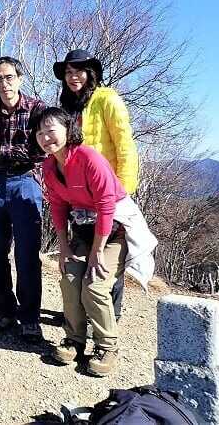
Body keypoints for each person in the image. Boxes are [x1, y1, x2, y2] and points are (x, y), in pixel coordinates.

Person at [34, 107, 156, 376]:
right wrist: (64, 247)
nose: (45, 137)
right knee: (70, 278)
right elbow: (57, 205)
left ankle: (107, 346)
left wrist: (97, 251)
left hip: (114, 232)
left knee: (95, 284)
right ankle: (74, 339)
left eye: (51, 130)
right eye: (39, 133)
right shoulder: (49, 166)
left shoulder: (89, 158)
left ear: (68, 130)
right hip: (83, 232)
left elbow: (106, 205)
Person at [54, 49, 139, 320]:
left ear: (90, 73)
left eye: (78, 71)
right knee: (85, 245)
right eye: (68, 72)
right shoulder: (67, 105)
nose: (73, 77)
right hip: (79, 192)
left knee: (109, 252)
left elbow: (125, 145)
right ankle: (80, 311)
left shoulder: (107, 98)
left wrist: (123, 190)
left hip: (109, 189)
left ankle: (111, 313)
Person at [0, 57, 47, 342]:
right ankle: (4, 309)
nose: (4, 83)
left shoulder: (38, 110)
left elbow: (39, 151)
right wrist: (11, 152)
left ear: (20, 78)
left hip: (26, 182)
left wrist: (0, 151)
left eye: (9, 77)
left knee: (27, 253)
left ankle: (29, 317)